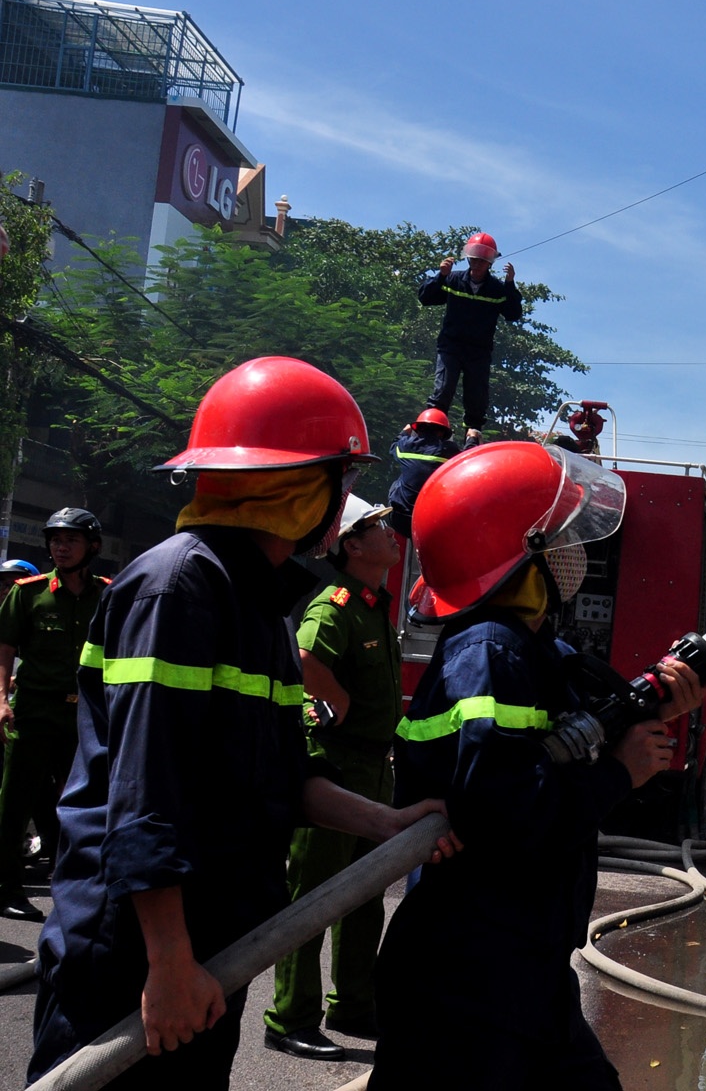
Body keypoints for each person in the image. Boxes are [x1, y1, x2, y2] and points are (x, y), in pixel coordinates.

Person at [26, 357, 459, 1087]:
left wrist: (387, 824)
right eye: (340, 478)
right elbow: (145, 794)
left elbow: (284, 772)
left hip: (208, 948)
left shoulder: (255, 600)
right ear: (292, 486)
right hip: (135, 954)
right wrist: (166, 963)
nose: (345, 499)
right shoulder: (179, 588)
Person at [370, 440, 706, 1091]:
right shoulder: (489, 650)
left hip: (520, 970)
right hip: (469, 979)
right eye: (557, 535)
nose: (575, 551)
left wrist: (669, 693)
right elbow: (503, 810)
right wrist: (619, 773)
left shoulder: (530, 647)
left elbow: (595, 715)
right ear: (518, 553)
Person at [263, 496, 404, 1061]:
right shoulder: (336, 605)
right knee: (313, 896)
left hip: (373, 765)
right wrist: (336, 699)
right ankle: (289, 1017)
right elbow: (304, 657)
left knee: (365, 893)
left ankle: (353, 1004)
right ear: (352, 545)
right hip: (338, 765)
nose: (392, 534)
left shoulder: (373, 605)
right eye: (378, 528)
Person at [0, 509, 109, 922]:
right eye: (55, 541)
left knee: (81, 804)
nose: (60, 548)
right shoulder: (29, 593)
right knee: (14, 802)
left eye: (70, 541)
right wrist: (1, 701)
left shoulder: (106, 594)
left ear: (91, 547)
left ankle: (75, 890)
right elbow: (5, 648)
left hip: (84, 717)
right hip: (33, 712)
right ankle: (5, 888)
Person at [417, 232, 523, 445]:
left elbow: (513, 314)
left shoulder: (497, 289)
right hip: (451, 348)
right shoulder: (453, 280)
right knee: (442, 390)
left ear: (490, 262)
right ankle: (430, 434)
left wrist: (510, 284)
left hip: (479, 352)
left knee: (476, 398)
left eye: (482, 259)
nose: (477, 263)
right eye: (474, 257)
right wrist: (441, 276)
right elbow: (426, 298)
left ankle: (472, 439)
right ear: (468, 258)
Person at [387, 408, 459, 538]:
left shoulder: (405, 446)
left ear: (418, 429)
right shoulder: (450, 451)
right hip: (431, 523)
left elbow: (393, 446)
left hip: (400, 521)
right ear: (442, 433)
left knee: (397, 483)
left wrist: (405, 431)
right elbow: (469, 459)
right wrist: (473, 438)